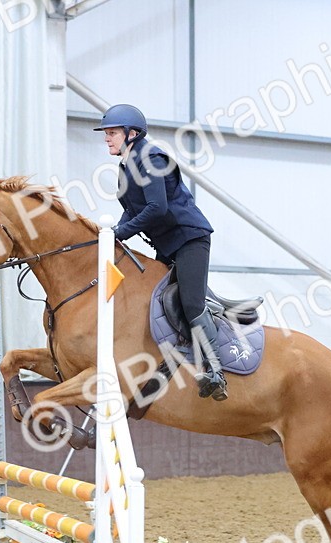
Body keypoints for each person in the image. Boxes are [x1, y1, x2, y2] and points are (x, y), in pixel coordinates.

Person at [94, 104, 227, 401]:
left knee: (190, 303)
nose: (107, 138)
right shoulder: (126, 165)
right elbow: (131, 211)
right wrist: (111, 236)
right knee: (155, 297)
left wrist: (120, 233)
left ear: (132, 133)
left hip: (190, 239)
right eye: (106, 133)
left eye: (112, 133)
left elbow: (158, 208)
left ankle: (216, 372)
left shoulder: (151, 157)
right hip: (168, 245)